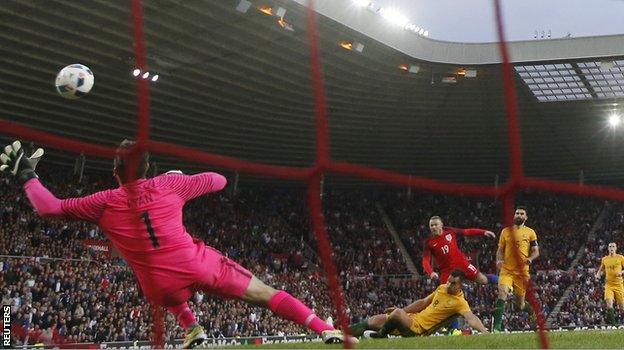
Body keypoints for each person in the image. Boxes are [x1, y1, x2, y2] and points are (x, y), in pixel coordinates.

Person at [0, 140, 353, 348]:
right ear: (151, 166)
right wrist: (177, 178)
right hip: (195, 264)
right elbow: (218, 180)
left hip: (158, 289)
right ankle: (325, 330)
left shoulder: (103, 201)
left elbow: (49, 208)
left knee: (158, 280)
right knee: (264, 293)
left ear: (115, 170)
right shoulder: (169, 185)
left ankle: (191, 328)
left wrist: (28, 175)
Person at [348, 270, 488, 338]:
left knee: (396, 313)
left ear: (461, 285)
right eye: (448, 281)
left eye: (453, 283)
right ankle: (341, 333)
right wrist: (403, 310)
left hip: (420, 330)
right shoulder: (442, 288)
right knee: (375, 319)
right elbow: (423, 302)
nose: (448, 284)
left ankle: (381, 336)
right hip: (412, 320)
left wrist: (485, 332)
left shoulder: (460, 303)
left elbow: (471, 318)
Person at [492, 206, 539, 332]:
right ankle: (496, 328)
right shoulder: (505, 231)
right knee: (502, 293)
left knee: (520, 304)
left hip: (522, 272)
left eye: (521, 214)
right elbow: (500, 250)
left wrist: (530, 259)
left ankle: (532, 314)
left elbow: (536, 251)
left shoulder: (530, 232)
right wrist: (499, 260)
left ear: (526, 217)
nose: (518, 215)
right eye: (517, 213)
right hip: (507, 270)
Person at [422, 216, 498, 285]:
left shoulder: (450, 231)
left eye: (436, 224)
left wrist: (483, 232)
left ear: (441, 224)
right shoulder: (429, 242)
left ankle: (503, 281)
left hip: (462, 263)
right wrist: (431, 272)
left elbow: (466, 231)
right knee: (446, 292)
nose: (433, 227)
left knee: (483, 280)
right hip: (447, 271)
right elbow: (425, 260)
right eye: (431, 225)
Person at [595, 242, 624, 326]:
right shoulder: (604, 259)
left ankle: (620, 320)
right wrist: (598, 275)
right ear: (608, 248)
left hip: (619, 284)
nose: (611, 248)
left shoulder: (621, 257)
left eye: (613, 246)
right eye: (610, 246)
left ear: (616, 248)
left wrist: (621, 272)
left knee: (622, 307)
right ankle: (614, 325)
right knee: (609, 304)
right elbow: (601, 269)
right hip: (609, 285)